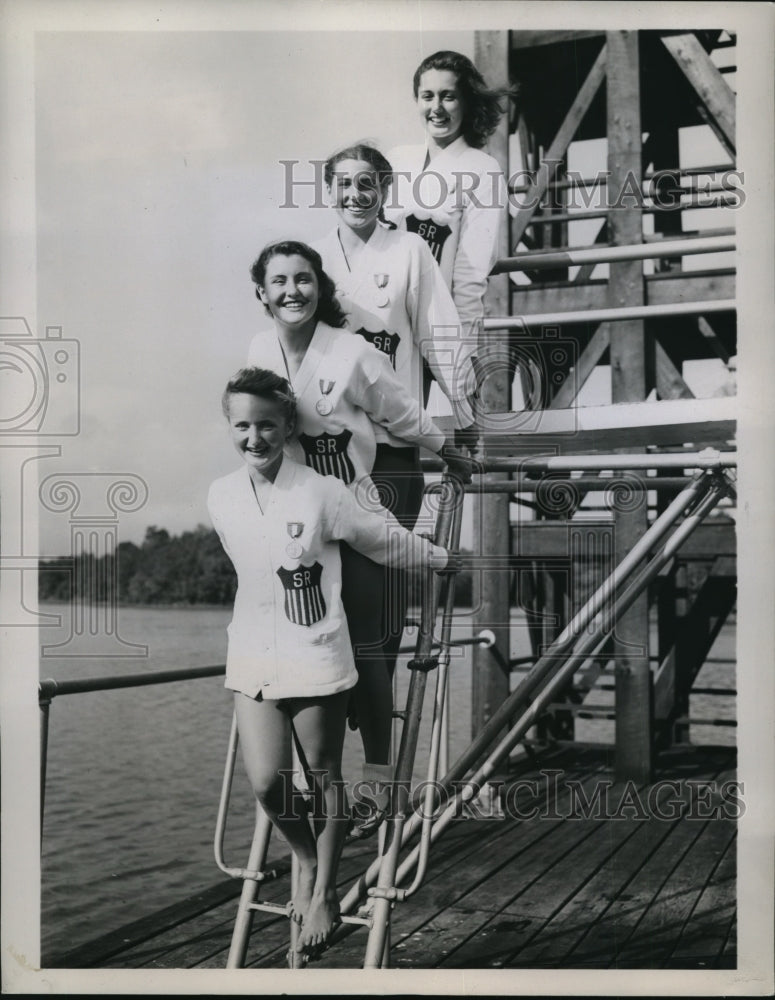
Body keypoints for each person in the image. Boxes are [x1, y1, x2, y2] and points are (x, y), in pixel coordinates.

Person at [208, 366, 451, 956]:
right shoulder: (220, 495)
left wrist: (441, 558)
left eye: (266, 425)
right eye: (242, 426)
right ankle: (307, 854)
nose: (254, 438)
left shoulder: (322, 491)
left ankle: (323, 893)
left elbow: (382, 538)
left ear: (287, 425)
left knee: (323, 780)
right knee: (266, 780)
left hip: (317, 652)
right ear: (230, 428)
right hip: (252, 657)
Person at [245, 240, 470, 828]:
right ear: (262, 294)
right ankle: (319, 786)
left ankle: (378, 785)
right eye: (279, 282)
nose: (292, 291)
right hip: (296, 518)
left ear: (319, 287)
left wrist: (450, 448)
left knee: (369, 648)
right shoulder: (258, 350)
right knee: (304, 643)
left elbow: (399, 409)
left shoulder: (351, 351)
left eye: (303, 279)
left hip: (354, 506)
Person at [313, 142, 476, 679]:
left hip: (392, 447)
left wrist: (465, 416)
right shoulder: (312, 260)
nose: (355, 195)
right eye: (344, 184)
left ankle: (379, 740)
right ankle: (331, 713)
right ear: (328, 190)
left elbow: (440, 334)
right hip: (327, 447)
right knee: (331, 583)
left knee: (384, 585)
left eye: (367, 184)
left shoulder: (409, 249)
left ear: (383, 191)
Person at [386, 50, 514, 356]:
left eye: (448, 97)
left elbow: (470, 275)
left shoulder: (482, 169)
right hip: (385, 321)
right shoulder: (396, 159)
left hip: (436, 326)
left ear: (467, 102)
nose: (436, 108)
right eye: (427, 96)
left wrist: (462, 352)